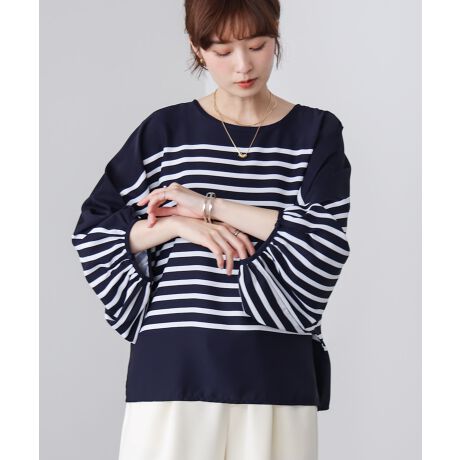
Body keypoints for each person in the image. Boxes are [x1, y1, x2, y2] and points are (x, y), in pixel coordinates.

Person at [70, 1, 352, 459]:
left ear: (276, 33)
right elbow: (94, 232)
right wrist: (178, 226)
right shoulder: (164, 131)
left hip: (273, 368)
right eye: (222, 51)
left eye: (257, 46)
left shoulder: (315, 132)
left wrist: (209, 206)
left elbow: (323, 241)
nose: (243, 66)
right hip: (173, 366)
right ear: (196, 49)